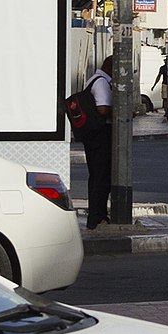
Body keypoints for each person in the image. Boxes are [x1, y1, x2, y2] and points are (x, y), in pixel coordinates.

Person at [73, 54, 116, 227]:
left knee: (98, 176)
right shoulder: (101, 83)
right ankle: (97, 217)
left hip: (94, 135)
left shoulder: (94, 79)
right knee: (101, 177)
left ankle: (97, 215)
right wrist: (121, 113)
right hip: (100, 135)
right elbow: (103, 109)